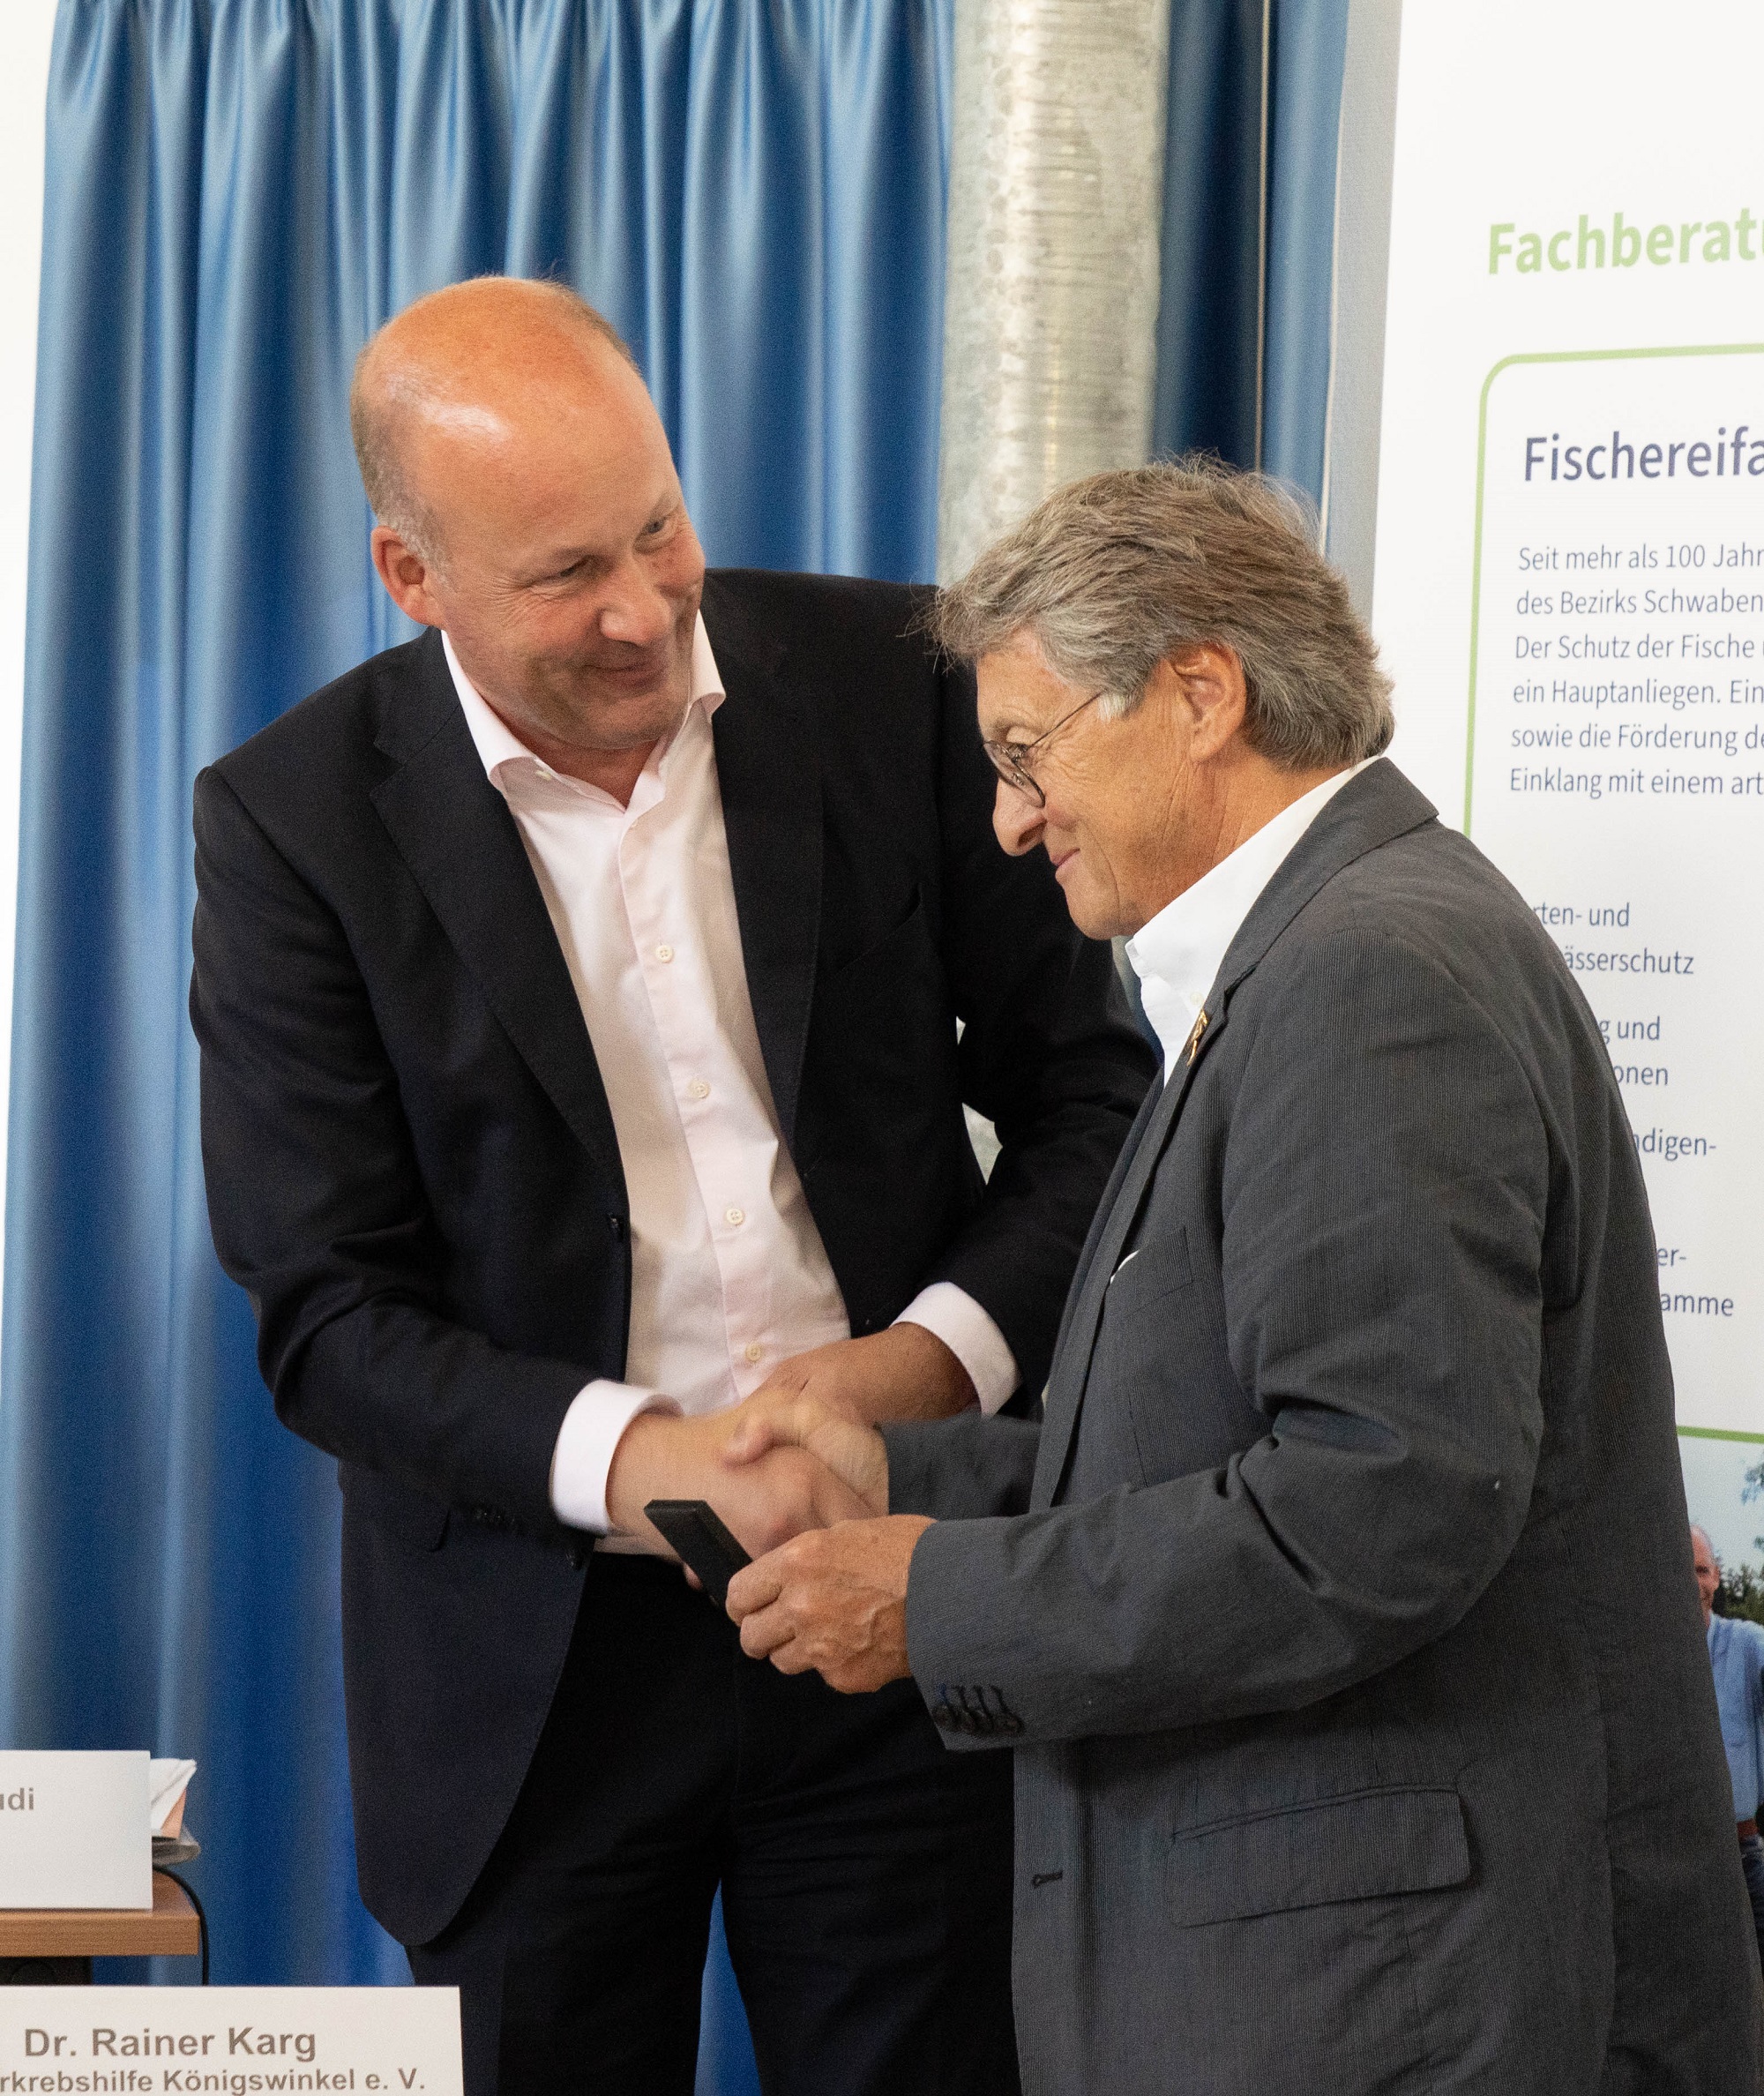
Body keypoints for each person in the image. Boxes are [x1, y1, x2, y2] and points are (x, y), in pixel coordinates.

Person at [189, 278, 1155, 2096]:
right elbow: (327, 1314)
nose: (641, 609)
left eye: (658, 527)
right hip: (525, 1682)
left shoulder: (902, 687)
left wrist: (912, 1377)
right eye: (564, 575)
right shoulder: (292, 825)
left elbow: (1099, 1104)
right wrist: (649, 1464)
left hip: (900, 1600)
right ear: (415, 576)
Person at [723, 461, 1764, 2093]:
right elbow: (1227, 1442)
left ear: (1200, 691)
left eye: (1025, 752)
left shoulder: (1367, 973)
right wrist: (903, 1470)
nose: (1006, 819)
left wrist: (938, 1599)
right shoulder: (1318, 953)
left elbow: (1377, 1503)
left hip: (1403, 2001)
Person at [1694, 1523, 1764, 1966]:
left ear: (1717, 1577)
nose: (1693, 1583)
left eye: (1701, 1570)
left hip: (1742, 1852)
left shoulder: (1744, 1643)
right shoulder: (1640, 1659)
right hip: (1674, 1854)